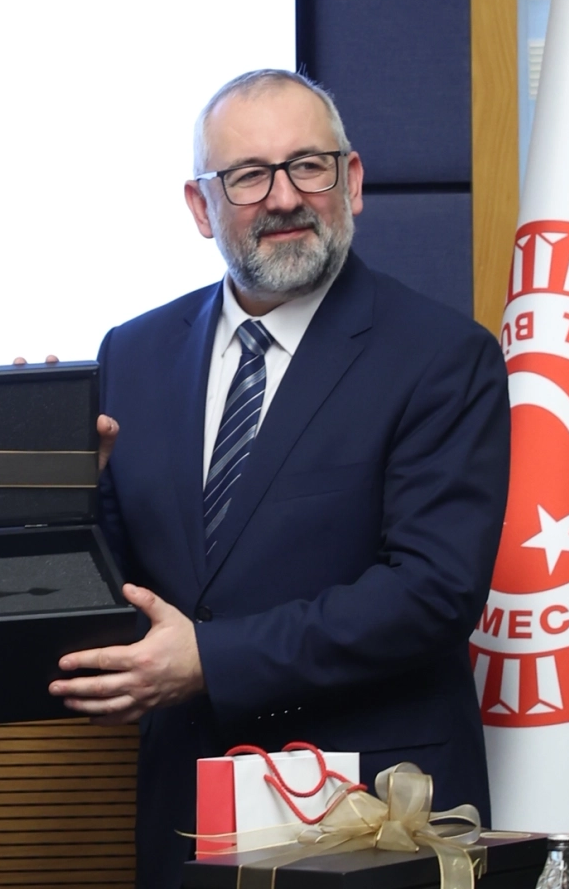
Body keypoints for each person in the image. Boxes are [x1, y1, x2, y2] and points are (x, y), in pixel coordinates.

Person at [49, 69, 510, 888]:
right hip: (187, 813)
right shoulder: (132, 353)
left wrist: (211, 659)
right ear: (201, 207)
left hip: (370, 817)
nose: (285, 197)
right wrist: (53, 486)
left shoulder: (442, 357)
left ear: (352, 181)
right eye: (249, 176)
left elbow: (432, 594)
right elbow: (121, 585)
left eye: (308, 166)